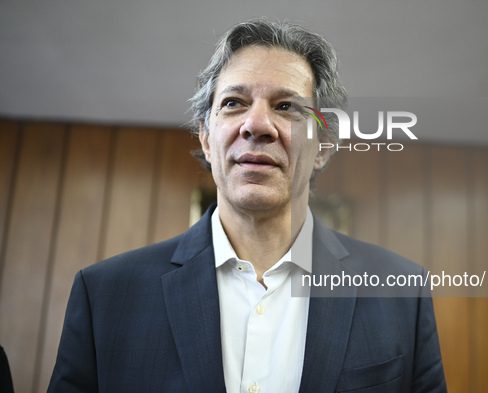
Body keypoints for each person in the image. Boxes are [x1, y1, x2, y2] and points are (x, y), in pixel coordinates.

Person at [48, 19, 446, 393]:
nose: (256, 125)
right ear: (206, 138)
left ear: (323, 147)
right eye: (234, 102)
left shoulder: (401, 295)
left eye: (287, 106)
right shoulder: (103, 294)